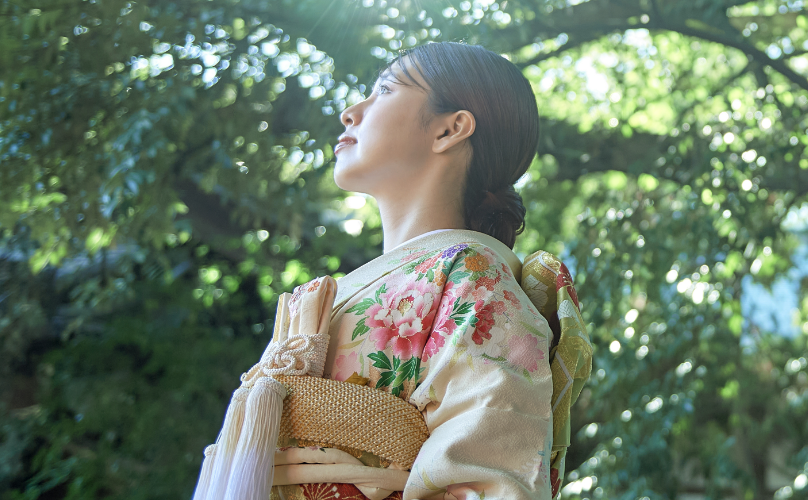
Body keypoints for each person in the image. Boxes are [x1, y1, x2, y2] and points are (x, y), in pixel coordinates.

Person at [193, 42, 592, 500]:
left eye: (384, 89)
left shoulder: (473, 276)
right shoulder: (336, 292)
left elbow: (488, 482)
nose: (350, 111)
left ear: (450, 129)